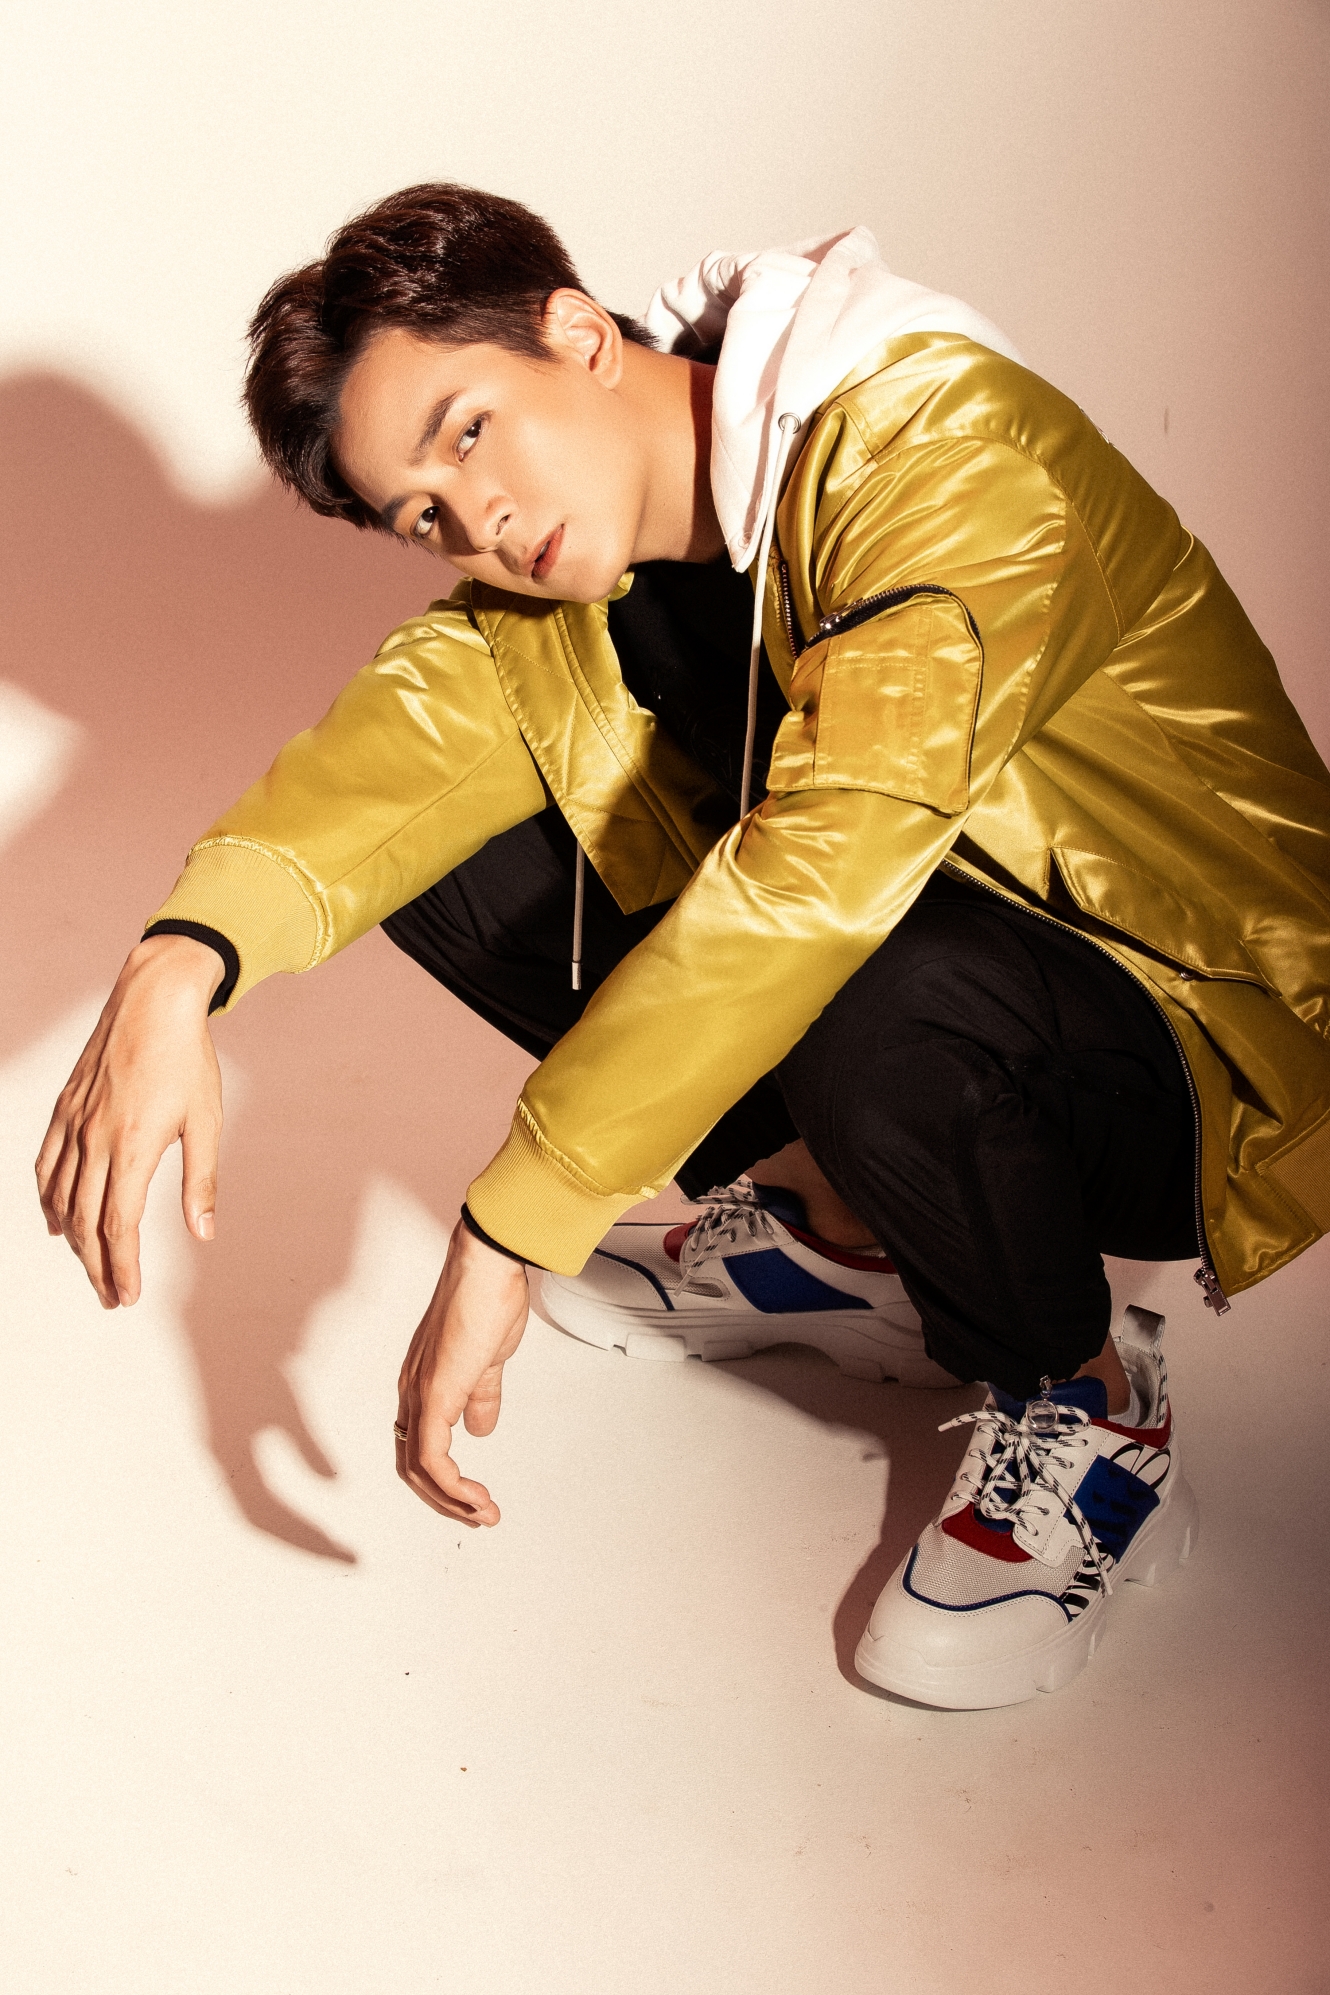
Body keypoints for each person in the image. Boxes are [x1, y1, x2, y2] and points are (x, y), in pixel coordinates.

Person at [36, 185, 1330, 1710]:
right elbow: (373, 777)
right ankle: (855, 1245)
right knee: (446, 855)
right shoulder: (570, 585)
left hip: (1203, 1029)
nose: (477, 519)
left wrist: (518, 1218)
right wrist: (176, 964)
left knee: (870, 981)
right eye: (424, 515)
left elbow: (824, 872)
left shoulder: (940, 455)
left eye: (469, 433)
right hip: (951, 969)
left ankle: (1085, 1396)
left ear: (577, 333)